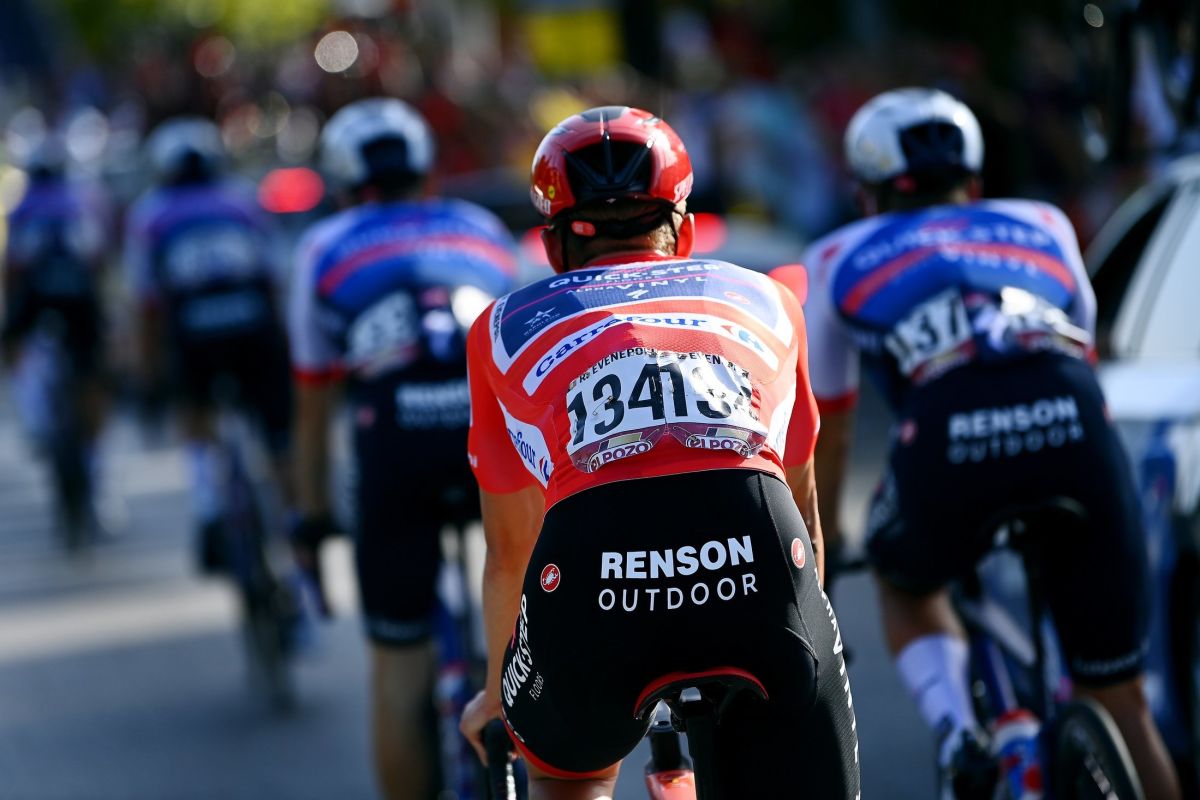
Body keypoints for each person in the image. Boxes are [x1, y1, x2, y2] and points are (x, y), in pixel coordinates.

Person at [788, 87, 1180, 799]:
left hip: (948, 434)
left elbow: (829, 425)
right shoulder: (1042, 221)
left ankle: (960, 731)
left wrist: (827, 544)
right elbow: (1083, 351)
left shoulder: (834, 255)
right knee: (1125, 702)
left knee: (904, 579)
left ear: (867, 194)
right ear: (972, 182)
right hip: (1073, 422)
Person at [459, 106, 860, 799]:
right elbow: (803, 511)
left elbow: (510, 553)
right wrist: (802, 646)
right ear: (687, 230)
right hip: (758, 569)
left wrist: (500, 696)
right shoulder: (769, 299)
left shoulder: (501, 326)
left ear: (552, 246)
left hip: (595, 581)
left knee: (568, 778)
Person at [288, 97, 517, 800]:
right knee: (532, 641)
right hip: (489, 440)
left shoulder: (323, 247)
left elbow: (314, 401)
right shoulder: (480, 227)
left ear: (343, 183)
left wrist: (313, 515)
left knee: (398, 659)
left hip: (395, 445)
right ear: (426, 174)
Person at [124, 116, 293, 572]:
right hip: (254, 326)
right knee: (280, 438)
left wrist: (146, 371)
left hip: (192, 331)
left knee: (194, 417)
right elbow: (276, 277)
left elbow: (145, 302)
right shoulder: (243, 200)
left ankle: (207, 507)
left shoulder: (150, 213)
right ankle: (297, 532)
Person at [3, 134, 112, 542]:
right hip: (81, 297)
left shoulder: (20, 207)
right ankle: (95, 466)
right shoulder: (82, 201)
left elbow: (12, 269)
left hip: (35, 296)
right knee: (93, 377)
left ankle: (34, 419)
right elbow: (98, 260)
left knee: (14, 350)